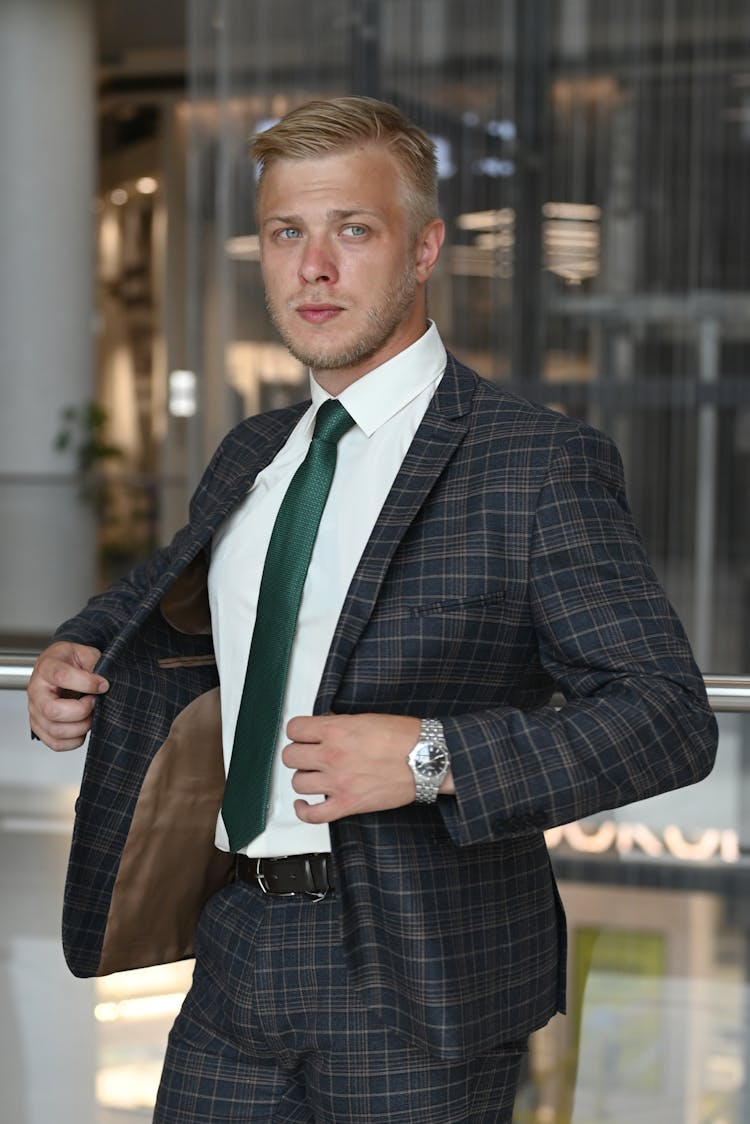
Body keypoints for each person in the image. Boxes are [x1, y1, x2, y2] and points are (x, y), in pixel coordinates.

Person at [28, 96, 717, 1123]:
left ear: (426, 246)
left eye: (353, 229)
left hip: (418, 979)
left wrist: (431, 758)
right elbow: (160, 593)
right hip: (235, 944)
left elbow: (668, 715)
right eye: (284, 233)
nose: (314, 266)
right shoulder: (254, 454)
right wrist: (78, 647)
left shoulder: (533, 462)